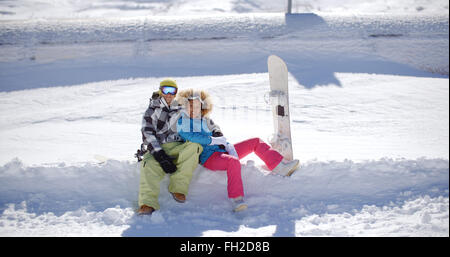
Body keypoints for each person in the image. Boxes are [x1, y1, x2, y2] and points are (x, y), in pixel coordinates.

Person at [175, 89, 300, 212]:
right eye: (190, 106)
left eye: (197, 106)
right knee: (233, 162)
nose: (194, 109)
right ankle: (236, 199)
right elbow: (191, 136)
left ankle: (279, 166)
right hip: (210, 157)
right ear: (184, 106)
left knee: (255, 142)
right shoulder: (183, 122)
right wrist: (212, 141)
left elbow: (221, 138)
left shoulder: (206, 121)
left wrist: (228, 146)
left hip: (223, 151)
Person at [137, 79, 203, 215]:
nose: (169, 94)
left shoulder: (182, 108)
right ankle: (147, 203)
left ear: (176, 93)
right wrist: (160, 156)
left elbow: (200, 122)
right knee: (148, 164)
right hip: (158, 147)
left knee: (195, 147)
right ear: (160, 91)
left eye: (172, 91)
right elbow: (147, 133)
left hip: (178, 146)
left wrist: (215, 133)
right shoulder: (151, 110)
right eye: (166, 90)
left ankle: (178, 187)